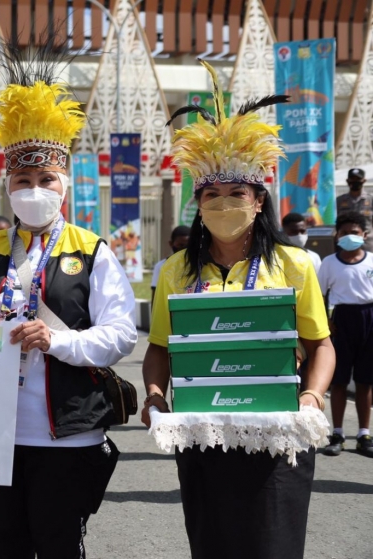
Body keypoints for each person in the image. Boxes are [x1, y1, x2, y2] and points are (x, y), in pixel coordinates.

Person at [0, 34, 136, 558]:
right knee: (3, 544)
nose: (33, 189)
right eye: (22, 179)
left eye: (46, 178)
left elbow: (121, 335)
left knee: (58, 545)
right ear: (7, 186)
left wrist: (57, 340)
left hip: (67, 433)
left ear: (64, 185)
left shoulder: (91, 250)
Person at [142, 60, 335, 559]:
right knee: (212, 545)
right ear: (198, 204)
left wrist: (312, 397)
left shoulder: (295, 265)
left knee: (274, 546)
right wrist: (155, 395)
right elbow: (159, 348)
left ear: (258, 201)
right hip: (202, 434)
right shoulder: (175, 271)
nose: (223, 203)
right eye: (212, 194)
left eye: (236, 193)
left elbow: (320, 345)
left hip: (278, 434)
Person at [317, 211, 373, 457]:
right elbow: (319, 295)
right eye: (345, 232)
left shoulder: (371, 261)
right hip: (341, 321)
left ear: (365, 235)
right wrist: (326, 321)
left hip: (369, 319)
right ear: (337, 235)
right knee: (338, 380)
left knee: (365, 380)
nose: (350, 236)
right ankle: (338, 433)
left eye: (355, 232)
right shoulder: (329, 263)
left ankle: (363, 434)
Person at [336, 168, 373, 252]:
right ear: (347, 181)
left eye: (358, 179)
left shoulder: (370, 199)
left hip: (367, 241)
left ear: (364, 181)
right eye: (352, 179)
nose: (355, 181)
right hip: (346, 241)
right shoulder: (340, 200)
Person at [150, 225, 190, 303]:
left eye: (188, 246)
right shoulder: (162, 266)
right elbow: (155, 295)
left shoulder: (197, 266)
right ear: (171, 244)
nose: (184, 249)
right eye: (181, 245)